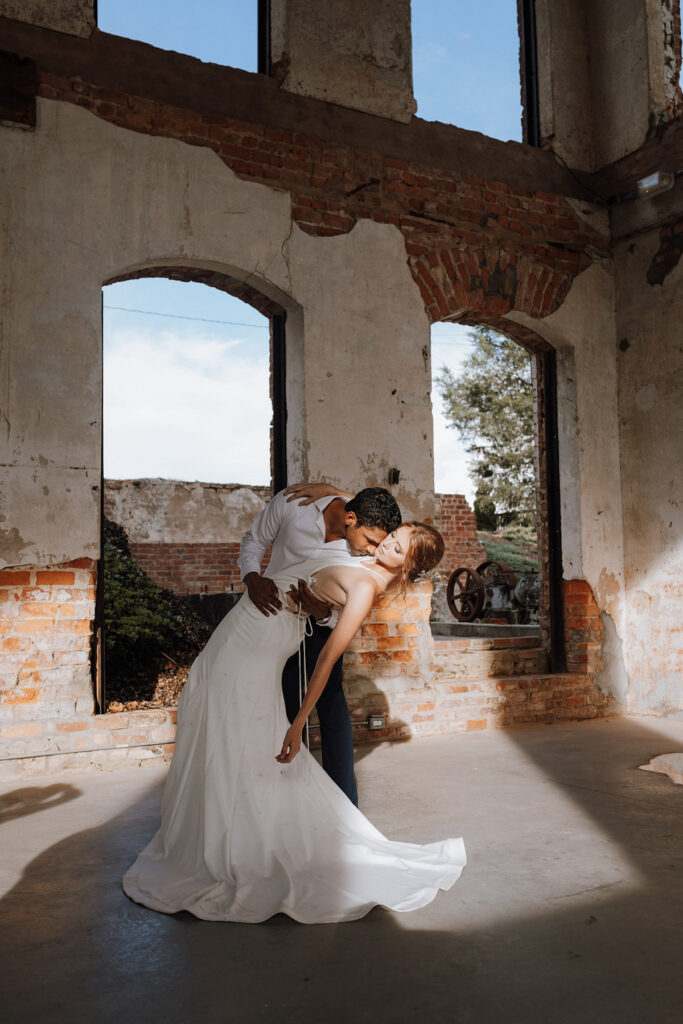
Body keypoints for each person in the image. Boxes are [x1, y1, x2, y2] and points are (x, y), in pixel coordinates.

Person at [122, 518, 466, 924]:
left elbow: (326, 660)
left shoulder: (364, 588)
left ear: (407, 567)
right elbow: (322, 588)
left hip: (262, 636)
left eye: (396, 548)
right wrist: (315, 599)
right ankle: (222, 831)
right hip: (261, 622)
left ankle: (230, 844)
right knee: (219, 709)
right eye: (391, 537)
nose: (385, 545)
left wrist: (299, 722)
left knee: (224, 711)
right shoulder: (366, 565)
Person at [238, 484, 402, 805]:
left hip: (322, 624)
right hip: (275, 618)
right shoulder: (294, 504)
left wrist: (318, 611)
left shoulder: (363, 554)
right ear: (351, 519)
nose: (372, 551)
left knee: (330, 700)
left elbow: (338, 611)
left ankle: (344, 805)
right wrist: (252, 578)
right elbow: (253, 540)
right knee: (279, 703)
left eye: (378, 545)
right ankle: (280, 799)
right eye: (370, 541)